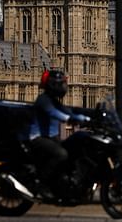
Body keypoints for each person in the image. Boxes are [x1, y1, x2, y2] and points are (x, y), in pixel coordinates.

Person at [28, 68, 90, 198]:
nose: (63, 87)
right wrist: (69, 119)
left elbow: (67, 111)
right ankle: (41, 184)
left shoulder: (54, 100)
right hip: (38, 138)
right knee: (61, 154)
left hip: (51, 137)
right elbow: (54, 113)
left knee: (74, 151)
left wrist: (87, 118)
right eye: (61, 84)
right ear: (53, 85)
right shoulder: (43, 99)